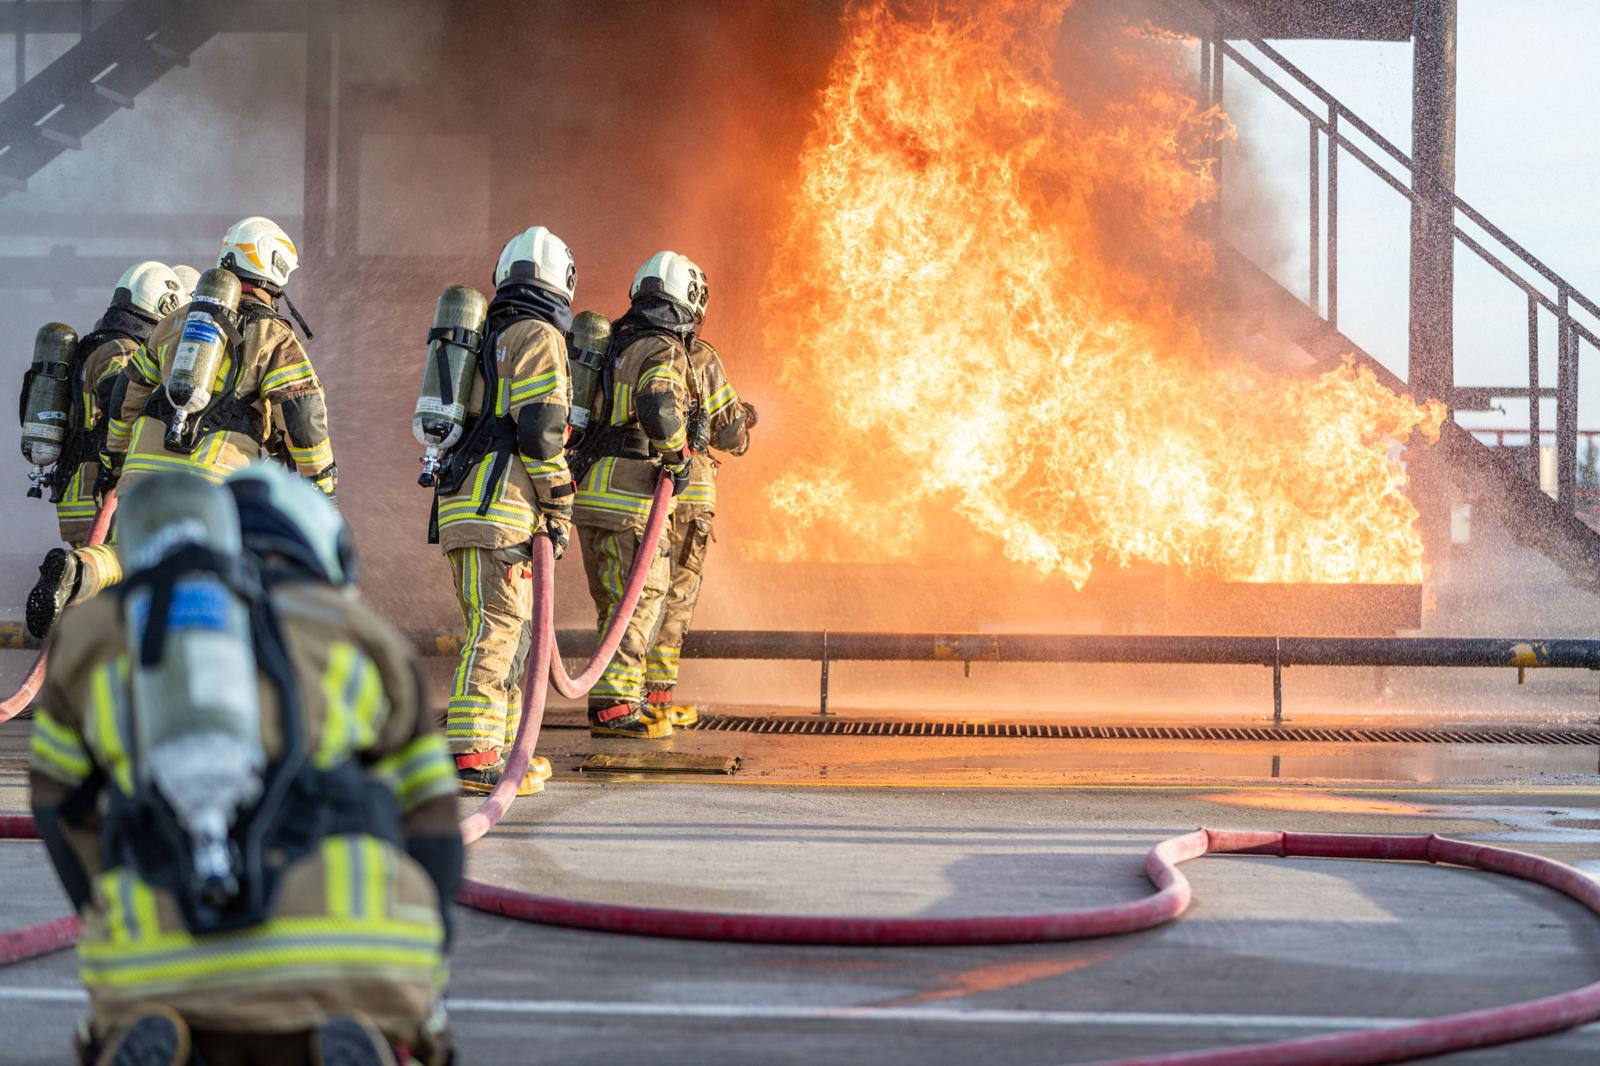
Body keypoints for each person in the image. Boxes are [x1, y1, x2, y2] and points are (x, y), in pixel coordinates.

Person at [28, 465, 460, 1066]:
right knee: (414, 1028)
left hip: (154, 959)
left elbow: (57, 811)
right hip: (357, 953)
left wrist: (114, 910)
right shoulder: (362, 635)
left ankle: (145, 1027)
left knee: (120, 1011)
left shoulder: (96, 634)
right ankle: (377, 1034)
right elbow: (433, 815)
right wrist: (426, 959)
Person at [26, 217, 335, 638]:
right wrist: (322, 480)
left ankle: (79, 569)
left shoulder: (177, 320)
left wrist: (117, 455)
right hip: (212, 479)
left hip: (142, 467)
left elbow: (126, 393)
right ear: (274, 265)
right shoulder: (273, 335)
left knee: (129, 552)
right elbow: (302, 412)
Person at [431, 225, 575, 793]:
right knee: (499, 629)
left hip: (465, 503)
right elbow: (541, 430)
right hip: (504, 506)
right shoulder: (538, 334)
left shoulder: (485, 334)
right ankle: (473, 753)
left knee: (505, 633)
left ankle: (504, 754)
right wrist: (560, 503)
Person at [572, 251, 708, 739]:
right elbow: (656, 401)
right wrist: (677, 455)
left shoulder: (611, 342)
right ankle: (616, 706)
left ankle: (612, 698)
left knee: (615, 604)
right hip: (631, 500)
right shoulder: (663, 347)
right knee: (640, 600)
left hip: (591, 494)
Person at [26, 262, 191, 548]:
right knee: (108, 581)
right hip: (98, 498)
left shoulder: (99, 343)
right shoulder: (123, 350)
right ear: (164, 307)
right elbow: (118, 396)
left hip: (83, 494)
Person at [641, 337, 756, 726]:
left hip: (630, 495)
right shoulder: (699, 356)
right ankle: (656, 699)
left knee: (635, 598)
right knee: (674, 595)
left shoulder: (624, 345)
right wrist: (745, 421)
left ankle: (621, 698)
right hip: (685, 495)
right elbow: (729, 434)